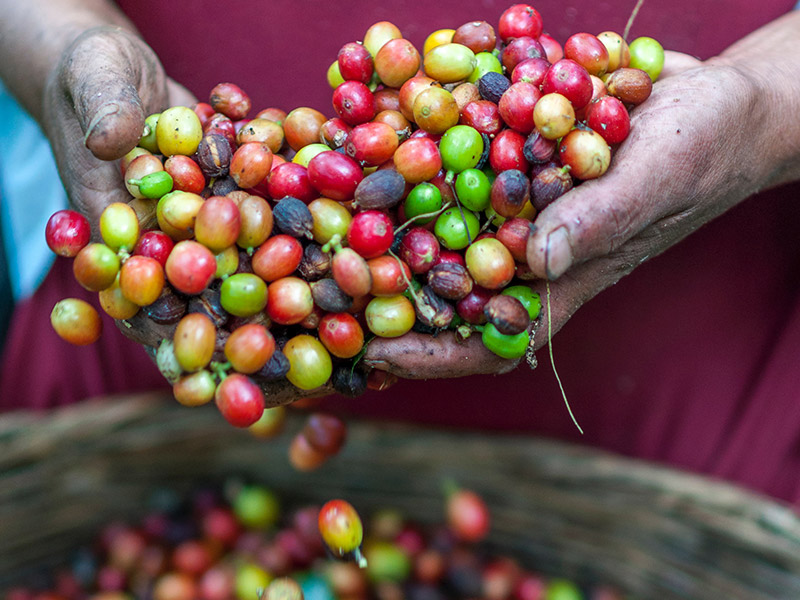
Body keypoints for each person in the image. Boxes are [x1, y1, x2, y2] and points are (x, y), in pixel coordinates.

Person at [1, 0, 800, 502]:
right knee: (142, 517)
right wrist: (61, 44)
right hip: (140, 371)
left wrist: (762, 108)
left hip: (691, 368)